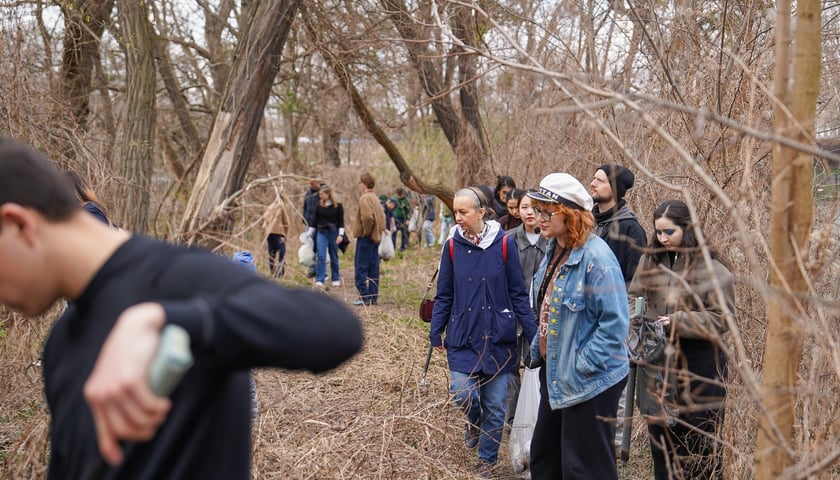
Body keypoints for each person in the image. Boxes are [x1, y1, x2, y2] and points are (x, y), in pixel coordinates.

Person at [0, 137, 363, 479]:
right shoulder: (60, 346)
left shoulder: (180, 279)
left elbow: (335, 330)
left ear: (19, 225)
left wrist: (168, 321)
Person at [526, 173, 629, 479]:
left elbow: (615, 326)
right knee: (545, 458)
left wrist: (581, 365)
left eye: (547, 211)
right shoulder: (554, 249)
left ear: (570, 215)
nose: (539, 217)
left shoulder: (597, 259)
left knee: (586, 468)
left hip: (591, 382)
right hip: (556, 372)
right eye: (537, 209)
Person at [430, 187, 537, 477]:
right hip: (463, 334)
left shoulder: (503, 244)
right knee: (463, 393)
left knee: (495, 406)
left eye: (463, 211)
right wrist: (435, 330)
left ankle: (486, 462)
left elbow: (518, 293)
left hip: (498, 337)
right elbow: (445, 292)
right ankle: (473, 422)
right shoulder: (452, 244)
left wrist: (533, 333)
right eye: (455, 212)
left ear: (481, 213)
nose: (458, 217)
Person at [627, 199, 734, 480]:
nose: (662, 239)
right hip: (657, 365)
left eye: (669, 232)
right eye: (658, 232)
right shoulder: (649, 260)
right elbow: (633, 298)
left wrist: (678, 322)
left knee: (701, 449)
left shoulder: (712, 269)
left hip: (701, 367)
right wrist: (634, 327)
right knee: (661, 447)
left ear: (687, 229)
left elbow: (723, 318)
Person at [504, 190, 548, 426]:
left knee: (537, 364)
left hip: (541, 316)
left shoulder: (551, 240)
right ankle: (513, 419)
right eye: (524, 207)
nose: (529, 212)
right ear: (516, 210)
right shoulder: (508, 239)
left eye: (534, 207)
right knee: (510, 367)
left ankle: (536, 418)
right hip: (512, 314)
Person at [590, 164, 647, 284]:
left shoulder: (631, 229)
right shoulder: (587, 223)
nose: (593, 183)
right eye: (594, 178)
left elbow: (635, 281)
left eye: (600, 181)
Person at [352, 173, 387, 306]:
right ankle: (373, 297)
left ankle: (364, 296)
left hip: (366, 239)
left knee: (361, 267)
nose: (359, 185)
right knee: (373, 268)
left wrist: (366, 232)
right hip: (375, 238)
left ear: (364, 184)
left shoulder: (365, 198)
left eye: (360, 183)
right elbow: (382, 218)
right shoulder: (375, 198)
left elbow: (367, 217)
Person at [307, 184, 345, 287]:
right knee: (321, 256)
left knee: (334, 256)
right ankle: (320, 279)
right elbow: (314, 222)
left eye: (322, 194)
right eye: (320, 194)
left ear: (328, 194)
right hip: (321, 232)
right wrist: (309, 234)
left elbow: (341, 223)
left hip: (333, 233)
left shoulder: (338, 206)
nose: (320, 196)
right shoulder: (318, 205)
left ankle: (336, 278)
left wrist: (340, 235)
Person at [261, 197, 290, 277]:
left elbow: (264, 218)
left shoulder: (270, 207)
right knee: (282, 253)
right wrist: (285, 234)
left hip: (269, 234)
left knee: (272, 253)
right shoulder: (282, 207)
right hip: (279, 234)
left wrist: (267, 230)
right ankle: (281, 272)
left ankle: (272, 271)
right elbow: (287, 222)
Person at [302, 179, 322, 278]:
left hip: (318, 226)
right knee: (309, 247)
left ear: (317, 183)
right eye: (309, 183)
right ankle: (312, 269)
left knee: (318, 248)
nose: (310, 185)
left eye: (312, 183)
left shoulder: (321, 194)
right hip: (308, 224)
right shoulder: (308, 193)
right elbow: (305, 207)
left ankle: (320, 269)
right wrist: (304, 219)